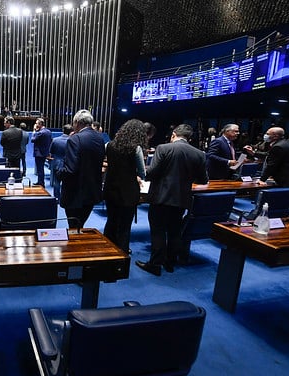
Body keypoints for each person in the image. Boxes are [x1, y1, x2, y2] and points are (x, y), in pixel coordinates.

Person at [136, 124, 208, 276]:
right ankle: (170, 263)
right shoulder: (199, 154)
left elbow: (152, 172)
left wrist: (143, 173)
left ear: (174, 134)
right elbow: (203, 180)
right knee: (175, 231)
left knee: (158, 231)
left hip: (161, 197)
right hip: (182, 198)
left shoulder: (163, 148)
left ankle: (155, 264)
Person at [103, 119, 147, 254]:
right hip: (128, 191)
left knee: (111, 220)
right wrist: (138, 177)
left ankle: (107, 250)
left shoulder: (108, 145)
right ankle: (122, 254)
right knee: (124, 226)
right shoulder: (136, 149)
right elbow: (142, 172)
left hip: (110, 189)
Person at [57, 109, 105, 229]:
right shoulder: (100, 138)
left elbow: (70, 169)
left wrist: (58, 172)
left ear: (77, 122)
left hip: (75, 193)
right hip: (92, 191)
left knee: (73, 226)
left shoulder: (75, 139)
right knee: (80, 225)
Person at [246, 127, 289, 195]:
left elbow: (271, 165)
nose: (265, 135)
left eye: (267, 134)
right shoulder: (283, 142)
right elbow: (269, 155)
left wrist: (262, 180)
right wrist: (254, 153)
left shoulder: (279, 146)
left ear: (275, 136)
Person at [49, 124, 73, 200]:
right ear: (71, 132)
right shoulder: (71, 141)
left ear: (63, 130)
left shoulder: (55, 140)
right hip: (67, 164)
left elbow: (51, 151)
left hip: (56, 163)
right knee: (67, 182)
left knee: (56, 182)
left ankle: (56, 198)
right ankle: (65, 198)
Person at [31, 118, 52, 186]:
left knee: (40, 169)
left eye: (37, 123)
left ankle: (41, 183)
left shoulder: (40, 133)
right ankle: (40, 181)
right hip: (45, 152)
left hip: (39, 153)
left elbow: (33, 139)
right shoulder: (48, 131)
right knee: (41, 168)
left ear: (40, 124)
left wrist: (34, 131)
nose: (35, 124)